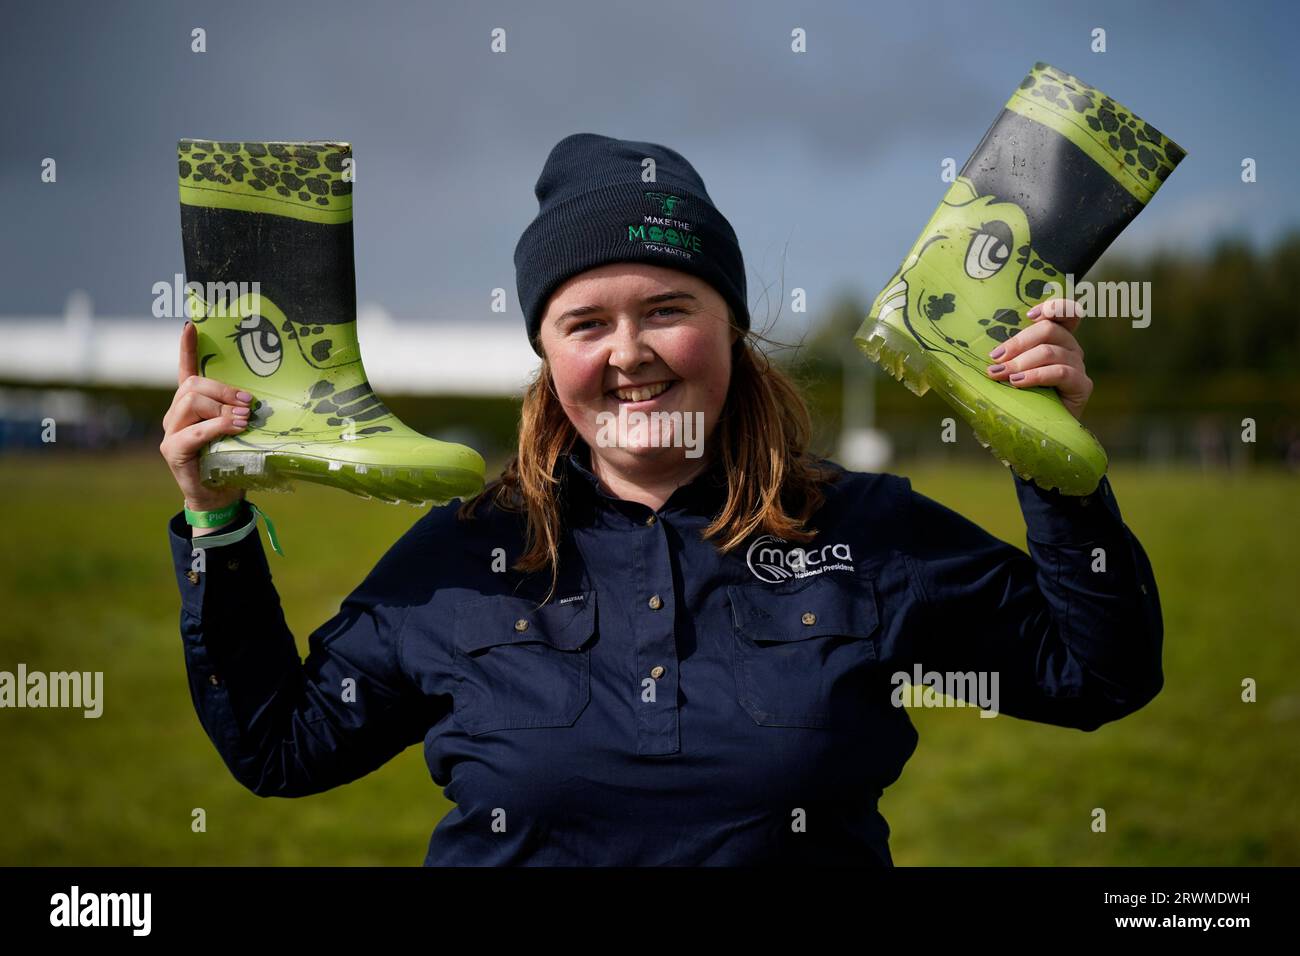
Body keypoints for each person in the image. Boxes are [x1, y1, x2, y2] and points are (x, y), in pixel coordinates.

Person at [158, 133, 1163, 865]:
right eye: (585, 322)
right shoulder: (465, 551)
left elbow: (1097, 673)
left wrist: (1049, 460)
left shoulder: (867, 531)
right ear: (546, 359)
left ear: (732, 330)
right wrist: (217, 519)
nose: (629, 353)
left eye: (669, 310)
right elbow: (280, 745)